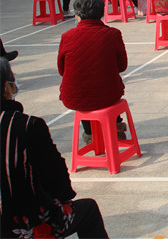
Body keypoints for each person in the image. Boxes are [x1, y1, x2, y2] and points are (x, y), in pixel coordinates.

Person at [1, 58, 109, 238]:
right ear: (6, 87)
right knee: (88, 210)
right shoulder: (28, 126)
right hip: (23, 224)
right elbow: (57, 178)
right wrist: (62, 198)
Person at [58, 0, 128, 145]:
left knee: (85, 96)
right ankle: (116, 129)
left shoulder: (67, 36)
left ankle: (90, 135)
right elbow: (122, 66)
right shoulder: (112, 34)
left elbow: (61, 69)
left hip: (73, 97)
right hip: (108, 94)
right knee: (104, 91)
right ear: (101, 13)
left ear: (77, 15)